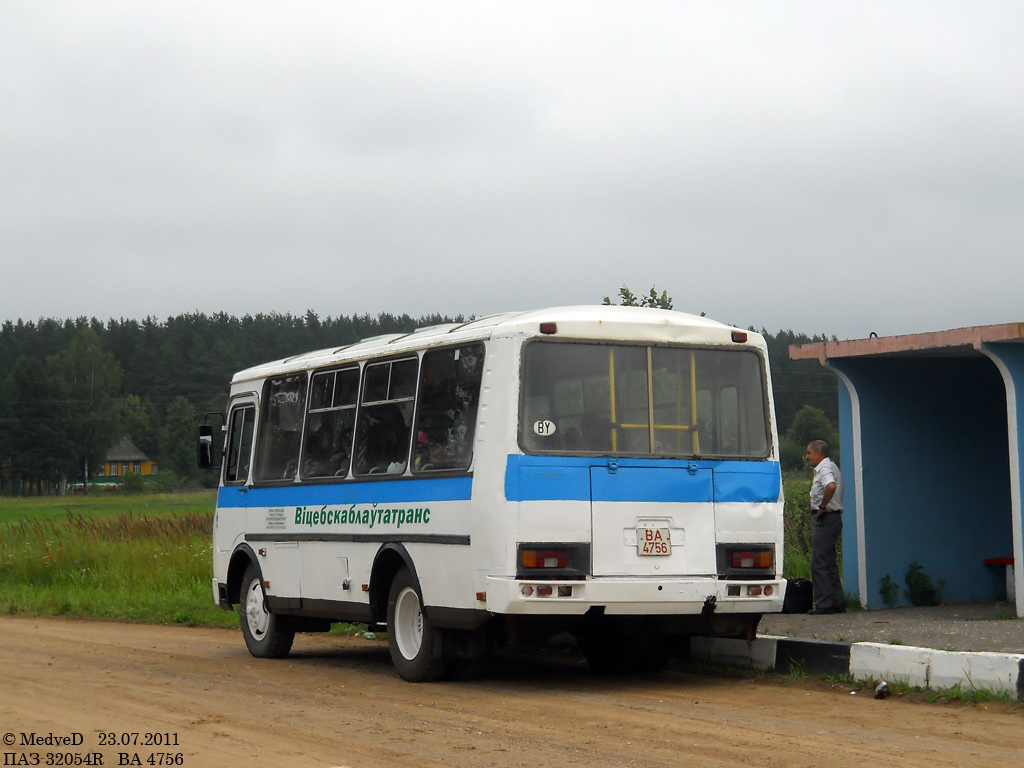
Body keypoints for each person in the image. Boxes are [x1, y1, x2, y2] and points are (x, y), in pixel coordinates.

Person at [806, 439, 845, 614]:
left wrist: (821, 508)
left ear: (819, 453)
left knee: (818, 562)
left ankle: (824, 604)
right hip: (831, 518)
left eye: (809, 453)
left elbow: (830, 486)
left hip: (826, 518)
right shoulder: (829, 467)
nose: (807, 457)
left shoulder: (825, 468)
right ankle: (837, 602)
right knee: (829, 562)